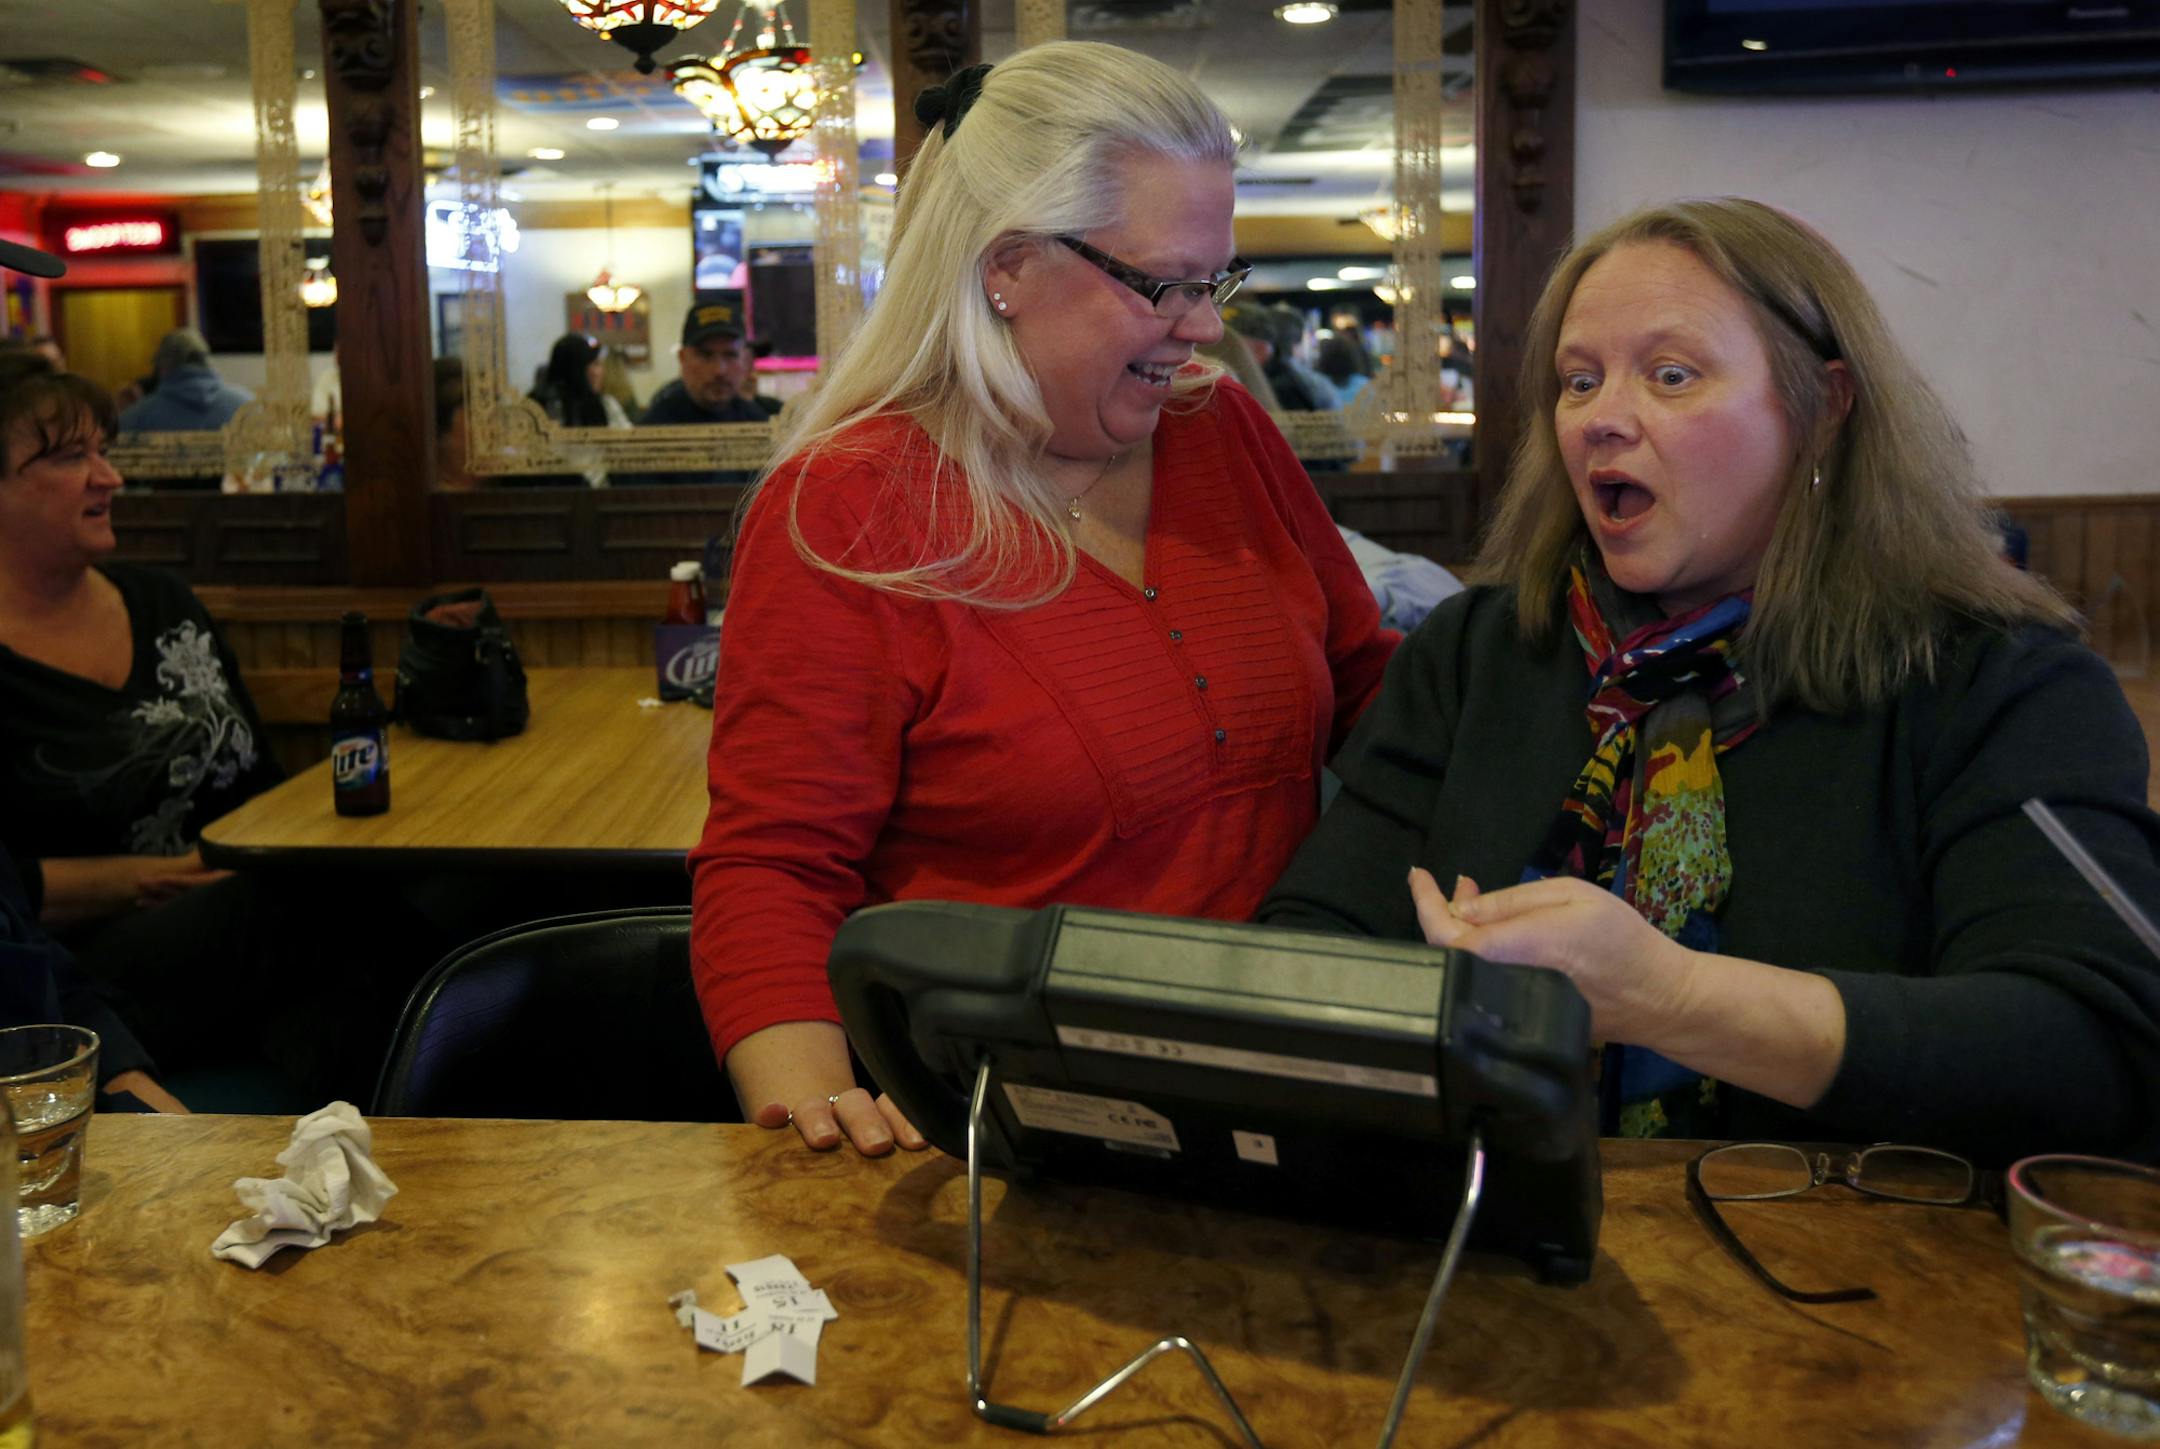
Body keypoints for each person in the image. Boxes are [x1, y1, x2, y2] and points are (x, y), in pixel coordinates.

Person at [1260, 197, 2160, 1164]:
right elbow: (1314, 935)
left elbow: (2099, 1049)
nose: (1602, 419)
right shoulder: (1480, 651)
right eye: (1577, 381)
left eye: (1672, 375)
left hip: (1858, 1272)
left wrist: (1674, 999)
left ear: (1825, 410)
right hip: (1487, 1245)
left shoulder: (1998, 682)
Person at [690, 41, 1397, 1157]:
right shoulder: (850, 509)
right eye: (1166, 285)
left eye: (1216, 283)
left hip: (1280, 1095)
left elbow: (1373, 691)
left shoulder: (1223, 429)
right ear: (1007, 266)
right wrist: (814, 1117)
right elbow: (774, 864)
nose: (1204, 326)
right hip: (1012, 1131)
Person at [0, 350, 424, 1104]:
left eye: (104, 450)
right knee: (319, 909)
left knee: (408, 903)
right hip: (83, 968)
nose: (110, 477)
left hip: (239, 926)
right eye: (71, 458)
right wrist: (151, 879)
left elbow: (258, 782)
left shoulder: (162, 603)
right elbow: (10, 893)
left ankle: (357, 1156)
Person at [640, 299, 767, 427]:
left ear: (745, 361)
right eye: (706, 355)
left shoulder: (759, 421)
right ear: (683, 359)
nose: (719, 371)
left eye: (730, 355)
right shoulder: (654, 429)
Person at [116, 328, 253, 433]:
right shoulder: (246, 404)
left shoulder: (140, 415)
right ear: (207, 361)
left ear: (162, 367)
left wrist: (122, 409)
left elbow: (115, 444)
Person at [530, 333, 631, 430]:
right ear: (576, 368)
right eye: (594, 364)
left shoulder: (604, 405)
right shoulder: (534, 407)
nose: (598, 373)